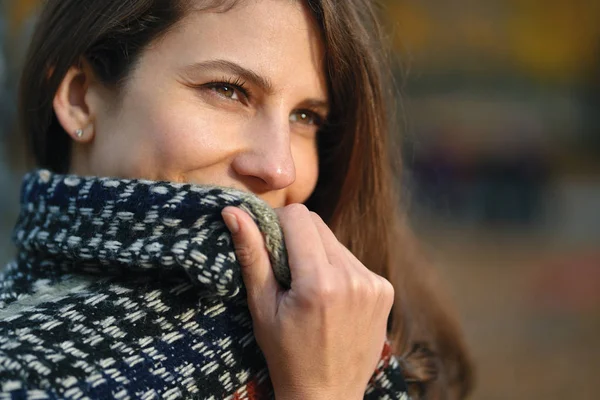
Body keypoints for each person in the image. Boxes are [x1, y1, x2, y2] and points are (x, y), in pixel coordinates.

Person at [2, 0, 473, 398]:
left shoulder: (367, 329)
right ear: (81, 97)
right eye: (228, 90)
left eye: (305, 116)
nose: (279, 168)